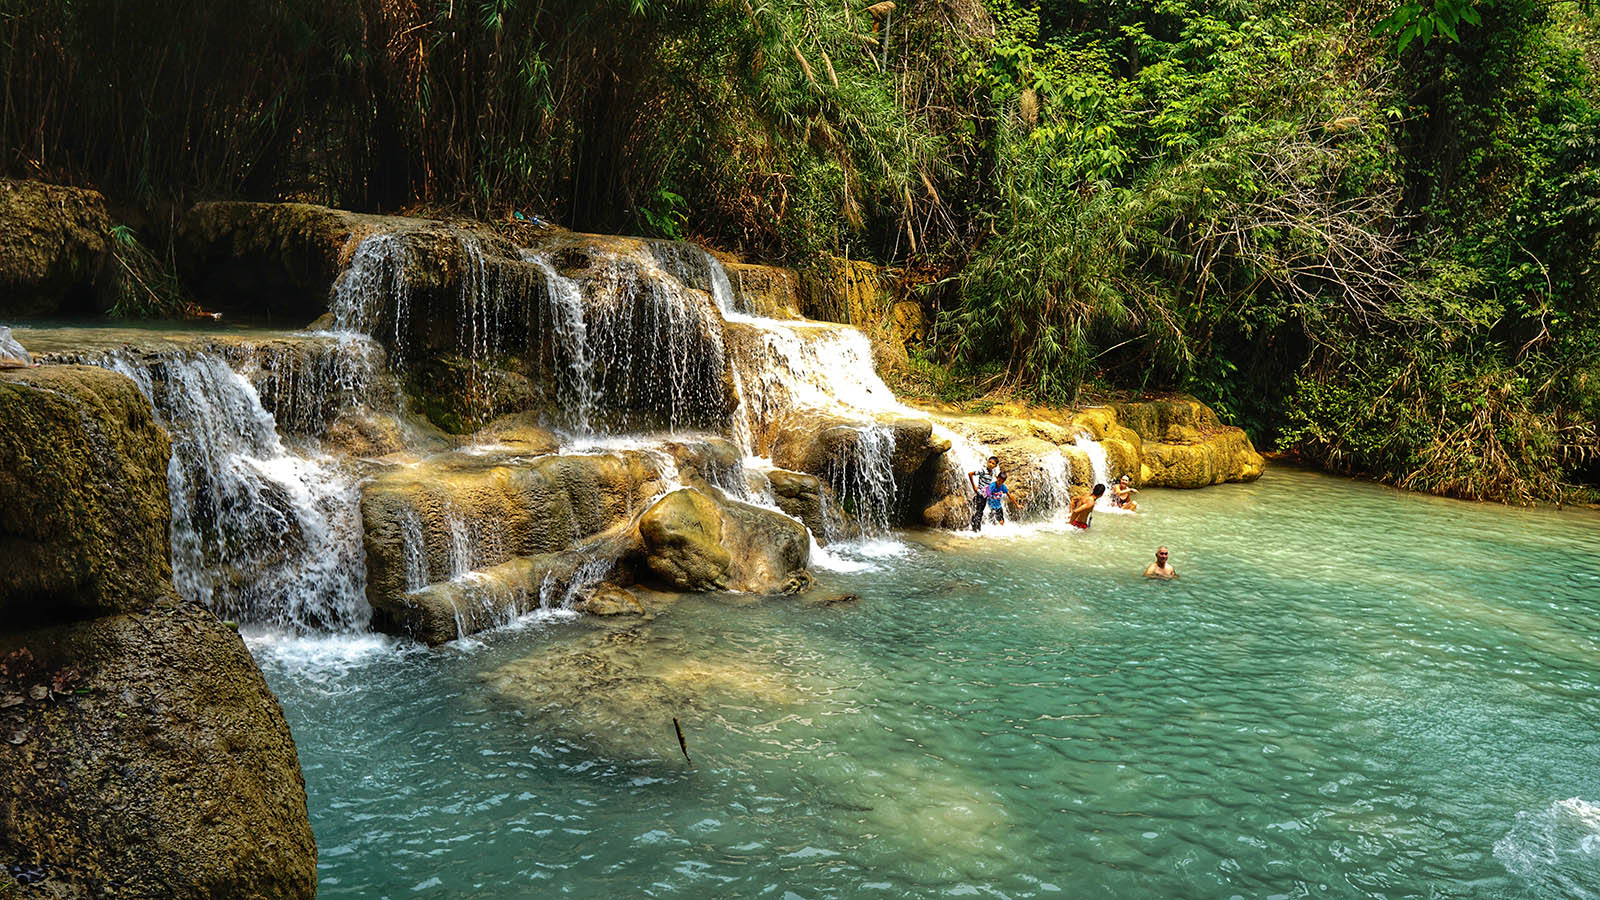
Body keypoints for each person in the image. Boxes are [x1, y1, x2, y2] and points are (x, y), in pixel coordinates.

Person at [967, 456, 1002, 531]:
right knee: (979, 512)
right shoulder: (983, 470)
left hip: (986, 493)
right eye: (989, 462)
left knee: (980, 511)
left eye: (993, 463)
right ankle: (976, 530)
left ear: (995, 466)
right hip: (981, 493)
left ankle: (976, 528)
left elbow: (988, 483)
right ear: (987, 462)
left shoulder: (992, 472)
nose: (990, 464)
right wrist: (974, 487)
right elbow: (970, 474)